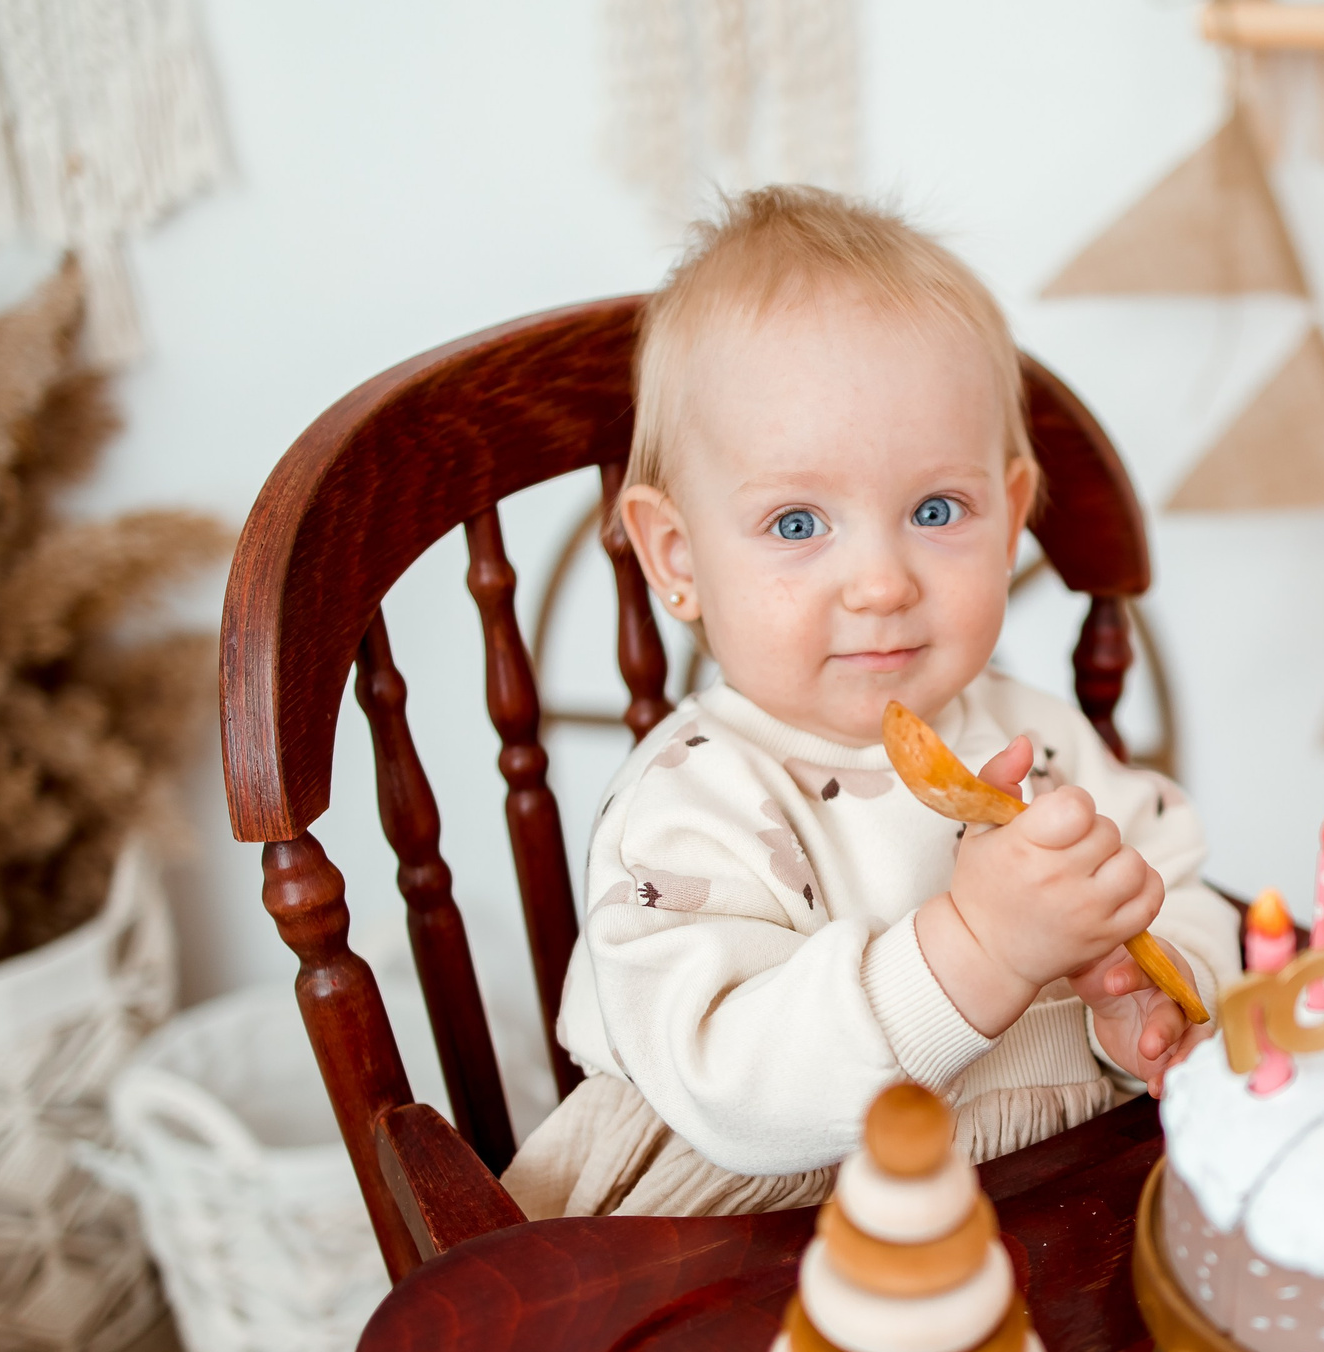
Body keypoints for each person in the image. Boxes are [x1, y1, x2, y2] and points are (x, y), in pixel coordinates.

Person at [503, 187, 1238, 1220]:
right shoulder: (689, 806)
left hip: (1046, 1200)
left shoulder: (1040, 743)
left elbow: (1179, 886)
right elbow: (733, 1092)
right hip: (757, 1235)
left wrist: (1148, 1003)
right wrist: (979, 951)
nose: (883, 583)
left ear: (1010, 519)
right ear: (677, 557)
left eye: (936, 510)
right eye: (797, 523)